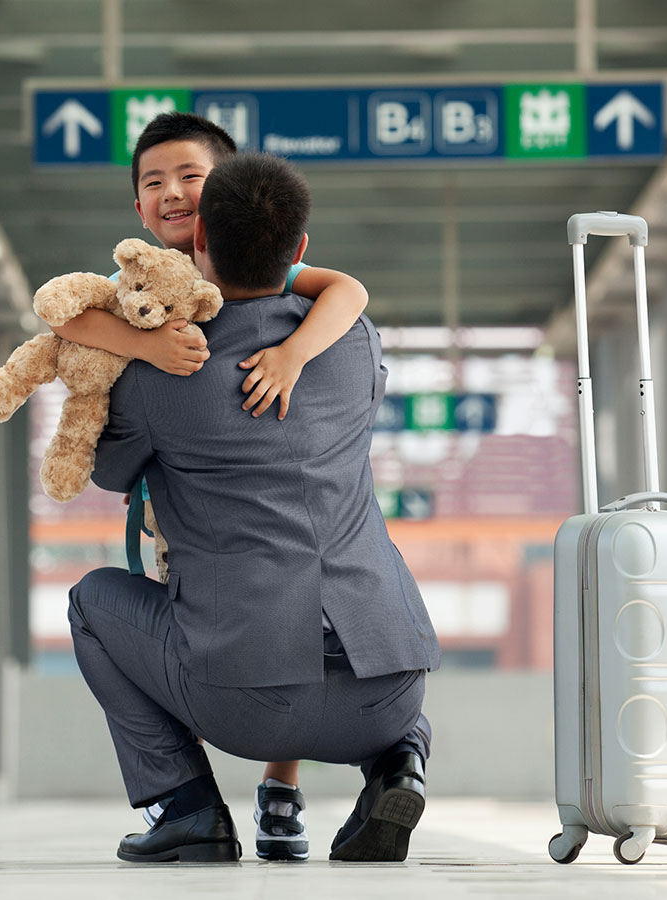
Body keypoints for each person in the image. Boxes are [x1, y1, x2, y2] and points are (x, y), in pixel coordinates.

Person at [67, 152, 440, 863]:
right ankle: (400, 765)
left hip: (247, 707)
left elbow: (107, 469)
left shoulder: (160, 371)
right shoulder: (354, 345)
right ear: (300, 249)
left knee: (93, 601)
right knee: (390, 674)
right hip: (387, 692)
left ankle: (187, 809)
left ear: (197, 240)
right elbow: (348, 312)